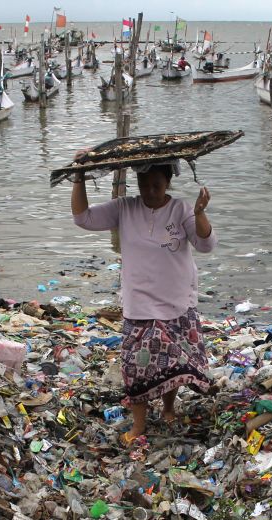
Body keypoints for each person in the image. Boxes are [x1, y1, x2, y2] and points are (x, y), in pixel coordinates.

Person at [71, 162, 215, 445]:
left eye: (157, 186)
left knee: (172, 362)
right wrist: (79, 176)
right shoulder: (125, 208)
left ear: (168, 183)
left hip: (176, 301)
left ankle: (169, 408)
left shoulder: (182, 210)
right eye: (144, 185)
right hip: (138, 304)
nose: (150, 192)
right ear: (136, 182)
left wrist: (200, 214)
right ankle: (138, 426)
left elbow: (206, 244)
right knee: (135, 368)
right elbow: (83, 218)